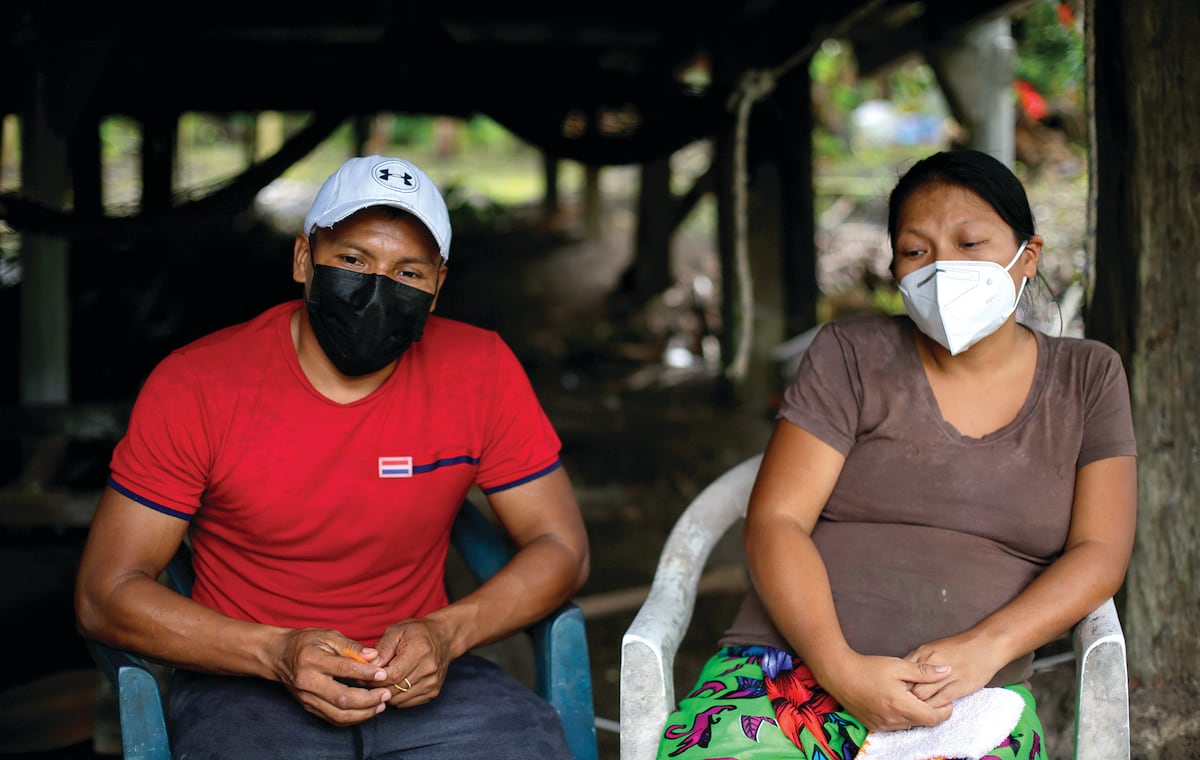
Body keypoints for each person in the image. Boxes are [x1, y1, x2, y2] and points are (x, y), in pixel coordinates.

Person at [75, 154, 591, 759]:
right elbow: (104, 593)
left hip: (426, 677)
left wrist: (449, 633)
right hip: (248, 684)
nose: (377, 288)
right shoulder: (199, 384)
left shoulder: (480, 369)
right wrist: (275, 652)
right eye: (352, 260)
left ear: (437, 286)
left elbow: (562, 548)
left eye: (408, 272)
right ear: (303, 258)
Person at [656, 149, 1137, 760]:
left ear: (1027, 257)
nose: (944, 269)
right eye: (917, 251)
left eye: (970, 243)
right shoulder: (851, 355)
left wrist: (985, 649)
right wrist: (841, 670)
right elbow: (776, 521)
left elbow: (1100, 552)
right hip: (785, 670)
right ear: (896, 271)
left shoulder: (1088, 378)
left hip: (969, 692)